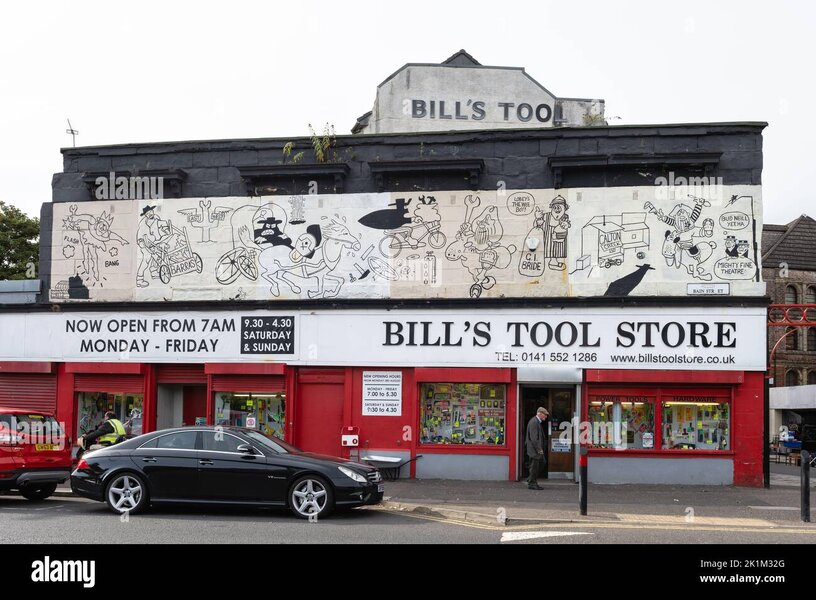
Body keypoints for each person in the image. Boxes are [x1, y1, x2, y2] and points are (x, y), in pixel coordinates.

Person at [526, 407, 549, 490]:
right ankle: (532, 483)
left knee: (541, 463)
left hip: (535, 450)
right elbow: (534, 438)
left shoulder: (536, 422)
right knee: (535, 466)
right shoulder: (534, 422)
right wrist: (539, 449)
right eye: (545, 414)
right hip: (534, 450)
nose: (546, 416)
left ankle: (531, 479)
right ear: (540, 413)